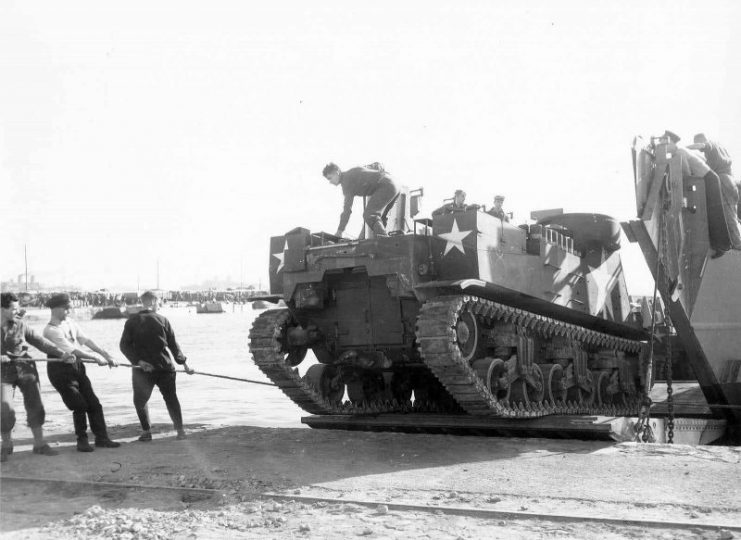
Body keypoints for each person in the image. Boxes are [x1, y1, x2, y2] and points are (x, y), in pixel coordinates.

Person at [1, 292, 75, 462]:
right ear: (2, 309)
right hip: (3, 373)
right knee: (4, 409)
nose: (16, 312)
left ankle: (39, 444)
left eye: (17, 309)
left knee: (35, 405)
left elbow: (40, 342)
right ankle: (6, 445)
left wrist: (61, 353)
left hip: (25, 367)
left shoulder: (20, 324)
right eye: (13, 309)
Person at [42, 293, 121, 452]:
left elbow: (86, 340)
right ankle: (82, 440)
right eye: (66, 309)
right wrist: (95, 358)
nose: (69, 312)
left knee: (94, 404)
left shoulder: (70, 322)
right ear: (56, 309)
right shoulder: (50, 330)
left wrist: (106, 355)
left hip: (77, 368)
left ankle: (102, 438)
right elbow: (74, 350)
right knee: (79, 405)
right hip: (60, 371)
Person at [119, 291, 193, 442]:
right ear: (152, 302)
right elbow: (173, 345)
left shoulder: (132, 321)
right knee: (171, 398)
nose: (159, 304)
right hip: (164, 366)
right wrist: (184, 364)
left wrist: (138, 361)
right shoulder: (163, 320)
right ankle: (180, 431)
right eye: (158, 302)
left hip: (143, 369)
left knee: (140, 401)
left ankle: (146, 432)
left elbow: (124, 346)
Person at [688, 133, 741, 250]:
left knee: (727, 214)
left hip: (722, 180)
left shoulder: (710, 145)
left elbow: (701, 145)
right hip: (730, 180)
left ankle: (737, 244)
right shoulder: (719, 147)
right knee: (731, 213)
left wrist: (684, 149)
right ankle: (734, 242)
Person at [322, 162, 400, 238]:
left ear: (337, 172)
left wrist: (339, 231)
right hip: (395, 185)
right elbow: (377, 166)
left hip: (386, 186)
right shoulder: (353, 171)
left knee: (369, 214)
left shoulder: (346, 182)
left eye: (330, 178)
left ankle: (385, 241)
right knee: (380, 218)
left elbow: (347, 210)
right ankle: (384, 240)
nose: (330, 182)